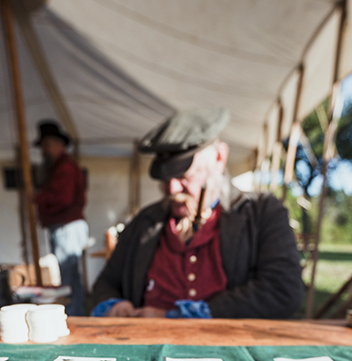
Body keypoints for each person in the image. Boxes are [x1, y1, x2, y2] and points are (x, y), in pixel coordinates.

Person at [90, 108, 303, 319]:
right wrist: (116, 305)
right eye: (165, 180)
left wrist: (178, 316)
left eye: (184, 176)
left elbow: (283, 291)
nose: (172, 189)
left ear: (219, 157)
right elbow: (106, 283)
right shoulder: (145, 222)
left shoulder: (262, 213)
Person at [33, 120, 88, 316]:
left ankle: (74, 317)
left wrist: (39, 197)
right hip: (64, 225)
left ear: (59, 144)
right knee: (70, 277)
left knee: (68, 279)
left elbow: (63, 199)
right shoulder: (59, 168)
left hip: (67, 225)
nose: (44, 151)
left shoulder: (65, 168)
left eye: (47, 146)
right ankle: (76, 313)